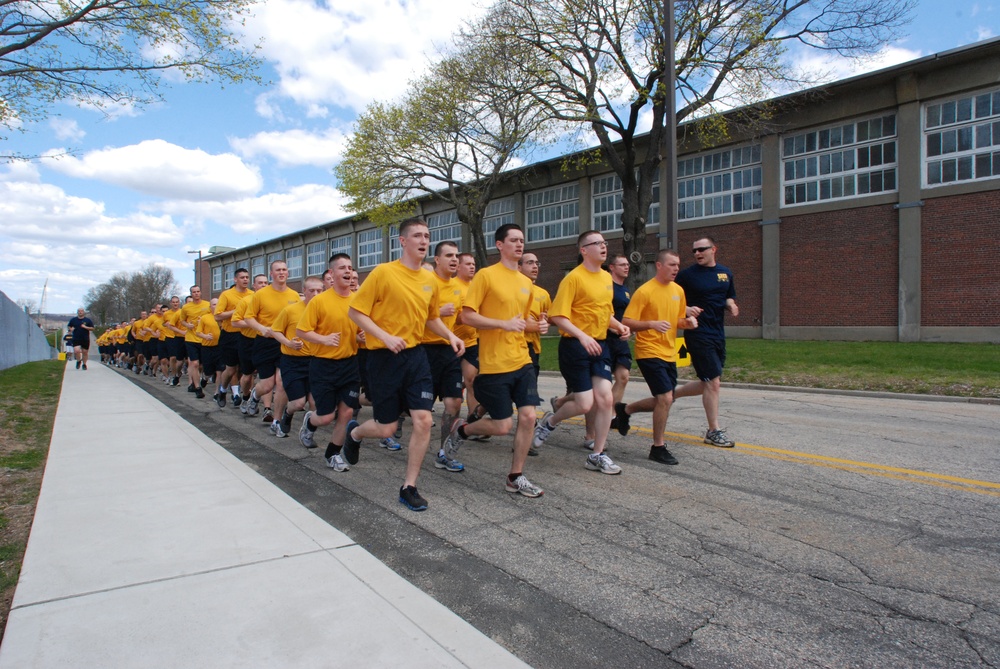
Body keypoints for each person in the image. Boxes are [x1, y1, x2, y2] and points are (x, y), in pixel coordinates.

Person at [345, 217, 464, 512]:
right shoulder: (383, 273)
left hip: (415, 356)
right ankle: (355, 433)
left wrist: (450, 335)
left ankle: (408, 486)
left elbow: (430, 317)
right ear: (403, 241)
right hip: (383, 357)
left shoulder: (429, 280)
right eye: (417, 236)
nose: (423, 241)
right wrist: (384, 337)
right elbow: (356, 312)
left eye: (427, 236)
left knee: (423, 420)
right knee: (386, 429)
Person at [446, 223, 546, 497]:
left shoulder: (527, 284)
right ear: (500, 245)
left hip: (522, 359)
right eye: (513, 240)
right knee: (503, 426)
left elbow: (522, 320)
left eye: (522, 240)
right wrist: (502, 324)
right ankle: (462, 430)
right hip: (493, 364)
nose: (519, 244)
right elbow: (467, 316)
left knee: (527, 417)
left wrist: (536, 327)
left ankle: (515, 476)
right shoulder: (486, 276)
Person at [532, 231, 630, 474]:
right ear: (584, 250)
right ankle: (549, 422)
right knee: (585, 403)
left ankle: (597, 454)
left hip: (600, 345)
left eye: (604, 242)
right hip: (575, 346)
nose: (603, 246)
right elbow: (557, 315)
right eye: (596, 243)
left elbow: (603, 312)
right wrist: (582, 336)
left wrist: (619, 326)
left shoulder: (607, 278)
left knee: (606, 397)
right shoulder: (573, 279)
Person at [616, 250, 699, 465]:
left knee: (666, 399)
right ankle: (658, 447)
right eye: (672, 265)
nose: (676, 269)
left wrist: (686, 323)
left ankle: (625, 410)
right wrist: (651, 324)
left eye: (678, 265)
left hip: (669, 352)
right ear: (659, 266)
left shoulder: (678, 291)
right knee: (665, 398)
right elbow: (627, 321)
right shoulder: (645, 291)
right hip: (648, 351)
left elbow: (678, 320)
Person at [673, 236, 739, 448]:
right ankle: (713, 430)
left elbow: (728, 296)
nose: (697, 254)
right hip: (697, 333)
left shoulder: (725, 273)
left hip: (717, 333)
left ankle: (672, 393)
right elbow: (668, 299)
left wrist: (731, 305)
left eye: (702, 249)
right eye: (694, 251)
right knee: (713, 382)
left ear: (713, 249)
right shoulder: (686, 276)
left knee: (709, 382)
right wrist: (684, 310)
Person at [296, 259, 361, 470]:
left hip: (350, 364)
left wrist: (364, 338)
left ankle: (333, 454)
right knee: (325, 417)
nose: (348, 272)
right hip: (323, 365)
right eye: (342, 268)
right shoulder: (319, 301)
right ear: (332, 274)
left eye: (350, 268)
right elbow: (302, 331)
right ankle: (310, 421)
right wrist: (323, 340)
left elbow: (359, 331)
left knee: (347, 413)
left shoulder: (357, 300)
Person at [420, 241, 466, 471]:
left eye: (456, 255)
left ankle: (443, 452)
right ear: (437, 259)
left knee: (454, 402)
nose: (454, 259)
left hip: (449, 349)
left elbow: (458, 318)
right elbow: (417, 314)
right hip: (425, 350)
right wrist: (439, 311)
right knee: (422, 407)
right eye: (449, 255)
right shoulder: (427, 283)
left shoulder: (458, 286)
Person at [243, 261, 302, 422]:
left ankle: (277, 420)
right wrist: (261, 328)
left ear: (288, 273)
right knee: (268, 385)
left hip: (284, 343)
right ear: (271, 274)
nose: (281, 273)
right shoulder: (261, 294)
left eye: (284, 270)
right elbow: (248, 317)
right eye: (278, 270)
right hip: (266, 342)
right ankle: (254, 395)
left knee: (282, 382)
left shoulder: (294, 296)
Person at [269, 276, 325, 440]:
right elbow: (275, 331)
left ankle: (308, 433)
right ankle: (287, 413)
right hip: (292, 361)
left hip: (315, 361)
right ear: (304, 291)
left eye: (319, 290)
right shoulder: (290, 310)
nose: (315, 294)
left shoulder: (325, 310)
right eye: (312, 290)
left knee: (315, 404)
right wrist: (288, 342)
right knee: (299, 403)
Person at [214, 268, 254, 408]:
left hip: (248, 335)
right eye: (242, 277)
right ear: (235, 279)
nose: (245, 280)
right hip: (230, 335)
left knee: (247, 370)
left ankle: (244, 397)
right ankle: (223, 389)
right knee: (231, 369)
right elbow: (217, 316)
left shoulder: (253, 295)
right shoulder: (227, 295)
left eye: (247, 277)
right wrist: (236, 310)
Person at [518, 252, 551, 382]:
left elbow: (550, 317)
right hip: (513, 345)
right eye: (530, 263)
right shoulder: (511, 290)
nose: (535, 266)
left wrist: (544, 322)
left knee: (529, 390)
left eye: (537, 263)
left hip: (534, 347)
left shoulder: (543, 293)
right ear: (519, 267)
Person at [179, 286, 211, 398]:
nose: (196, 294)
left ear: (201, 293)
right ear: (191, 294)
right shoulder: (186, 307)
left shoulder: (207, 305)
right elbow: (182, 320)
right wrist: (187, 325)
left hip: (204, 338)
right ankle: (198, 388)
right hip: (191, 338)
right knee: (195, 363)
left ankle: (201, 379)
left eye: (198, 291)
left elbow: (212, 317)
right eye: (194, 292)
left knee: (203, 365)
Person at [194, 298, 223, 398]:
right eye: (214, 304)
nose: (216, 306)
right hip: (207, 347)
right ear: (210, 307)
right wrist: (205, 336)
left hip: (219, 347)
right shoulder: (204, 318)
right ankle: (205, 377)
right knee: (208, 371)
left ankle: (217, 392)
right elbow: (198, 332)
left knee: (220, 370)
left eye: (218, 304)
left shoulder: (223, 317)